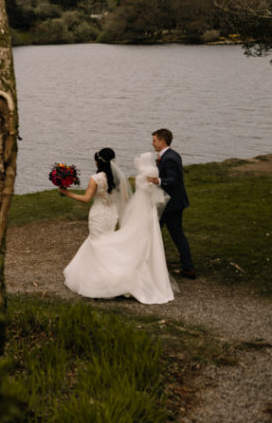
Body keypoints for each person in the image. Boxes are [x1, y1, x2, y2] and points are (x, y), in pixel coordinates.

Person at [60, 149, 176, 304]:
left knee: (98, 244)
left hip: (98, 215)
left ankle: (106, 281)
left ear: (98, 162)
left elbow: (86, 198)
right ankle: (102, 277)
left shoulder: (95, 178)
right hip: (111, 215)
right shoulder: (117, 179)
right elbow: (125, 198)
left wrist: (67, 194)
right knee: (104, 241)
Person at [147, 128, 195, 278]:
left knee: (154, 232)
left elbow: (174, 180)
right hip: (173, 203)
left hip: (170, 205)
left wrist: (158, 180)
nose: (152, 143)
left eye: (154, 140)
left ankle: (148, 263)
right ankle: (188, 267)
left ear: (162, 141)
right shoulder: (171, 155)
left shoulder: (168, 158)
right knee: (174, 234)